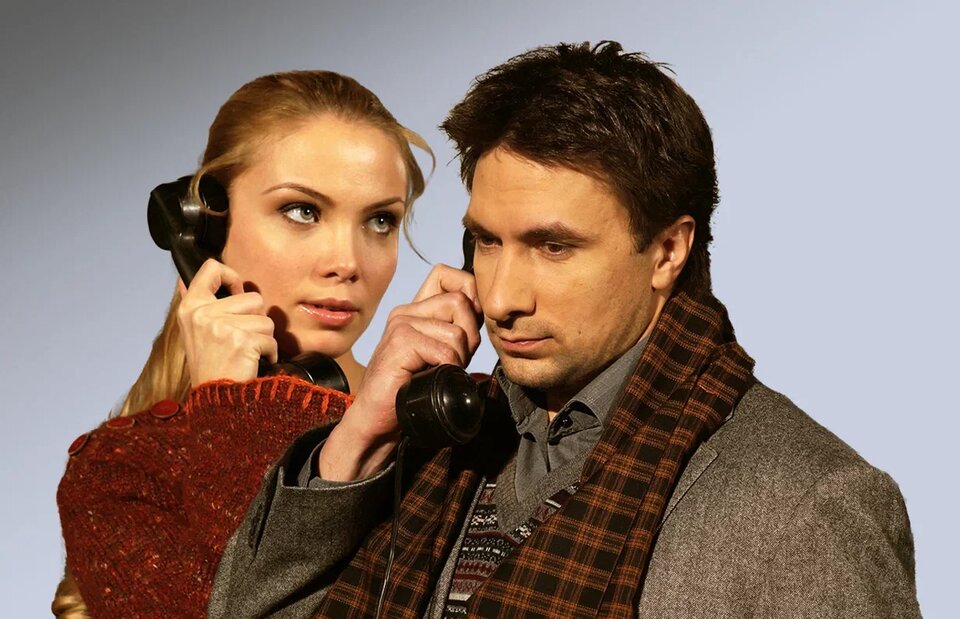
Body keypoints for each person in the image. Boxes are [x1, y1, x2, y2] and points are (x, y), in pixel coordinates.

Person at [209, 42, 921, 617]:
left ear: (667, 251)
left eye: (553, 246)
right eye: (486, 242)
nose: (502, 297)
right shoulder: (438, 444)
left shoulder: (807, 505)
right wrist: (360, 436)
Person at [53, 70, 432, 618]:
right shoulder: (123, 472)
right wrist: (230, 408)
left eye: (379, 220)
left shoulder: (440, 427)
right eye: (302, 211)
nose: (347, 263)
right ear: (207, 227)